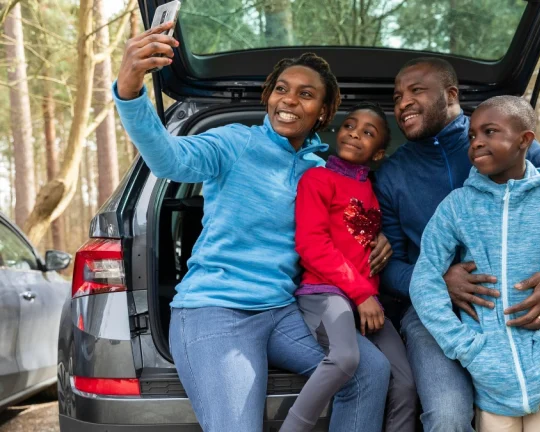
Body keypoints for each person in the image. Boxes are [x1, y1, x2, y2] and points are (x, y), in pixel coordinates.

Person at [113, 22, 392, 432]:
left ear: (324, 112)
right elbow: (168, 158)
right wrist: (130, 89)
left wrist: (374, 234)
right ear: (269, 97)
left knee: (371, 372)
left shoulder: (319, 170)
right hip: (215, 309)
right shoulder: (234, 142)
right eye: (281, 89)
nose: (289, 100)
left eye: (306, 94)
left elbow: (343, 224)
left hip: (282, 310)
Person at [374, 57, 540, 432]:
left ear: (451, 94)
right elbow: (388, 266)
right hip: (433, 312)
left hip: (525, 304)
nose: (403, 102)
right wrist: (441, 282)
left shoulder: (506, 136)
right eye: (397, 96)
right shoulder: (392, 174)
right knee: (447, 416)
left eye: (416, 90)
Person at [410, 96, 540, 432]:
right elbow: (425, 280)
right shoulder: (457, 207)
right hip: (491, 382)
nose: (477, 142)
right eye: (472, 135)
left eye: (490, 132)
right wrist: (468, 348)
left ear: (525, 140)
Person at [285, 102, 417, 432]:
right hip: (325, 293)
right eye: (350, 126)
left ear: (378, 154)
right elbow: (312, 245)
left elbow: (360, 235)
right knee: (345, 358)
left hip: (365, 301)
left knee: (406, 382)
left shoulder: (371, 190)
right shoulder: (318, 179)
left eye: (368, 133)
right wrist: (360, 295)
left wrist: (382, 237)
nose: (355, 133)